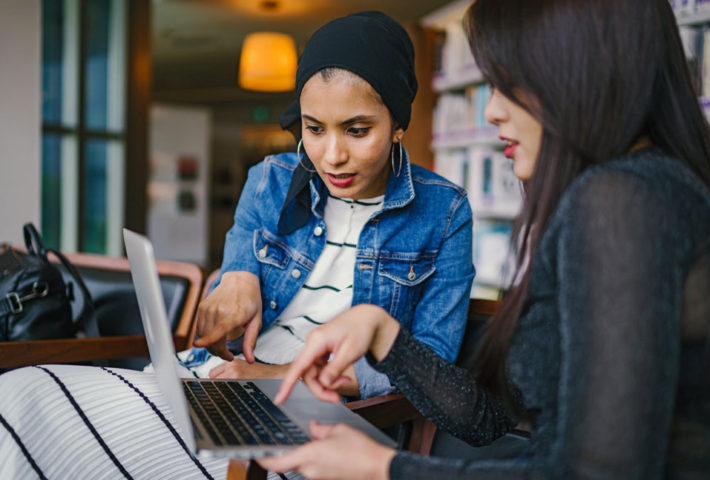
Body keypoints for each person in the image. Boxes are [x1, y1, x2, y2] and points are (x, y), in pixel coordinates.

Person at [0, 11, 474, 479]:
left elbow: (428, 368)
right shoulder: (270, 179)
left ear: (398, 124)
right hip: (219, 380)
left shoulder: (445, 212)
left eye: (356, 130)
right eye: (313, 128)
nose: (332, 156)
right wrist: (237, 274)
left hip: (326, 417)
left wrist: (286, 379)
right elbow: (236, 278)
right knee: (20, 395)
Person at [260, 0, 710, 478]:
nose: (492, 110)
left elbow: (598, 473)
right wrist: (384, 334)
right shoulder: (647, 189)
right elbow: (488, 420)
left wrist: (383, 469)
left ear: (581, 70)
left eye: (508, 83)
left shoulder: (620, 201)